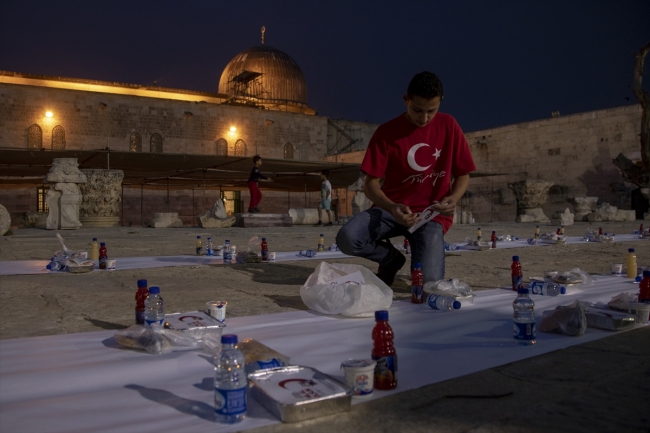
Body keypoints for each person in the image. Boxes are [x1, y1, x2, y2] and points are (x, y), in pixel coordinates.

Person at [336, 71, 476, 286]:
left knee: (428, 283)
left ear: (441, 103)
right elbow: (370, 185)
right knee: (348, 238)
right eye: (417, 110)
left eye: (432, 111)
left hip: (431, 215)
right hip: (390, 210)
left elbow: (463, 174)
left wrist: (454, 198)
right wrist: (392, 207)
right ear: (406, 100)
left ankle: (419, 259)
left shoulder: (449, 126)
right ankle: (390, 259)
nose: (424, 118)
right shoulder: (386, 133)